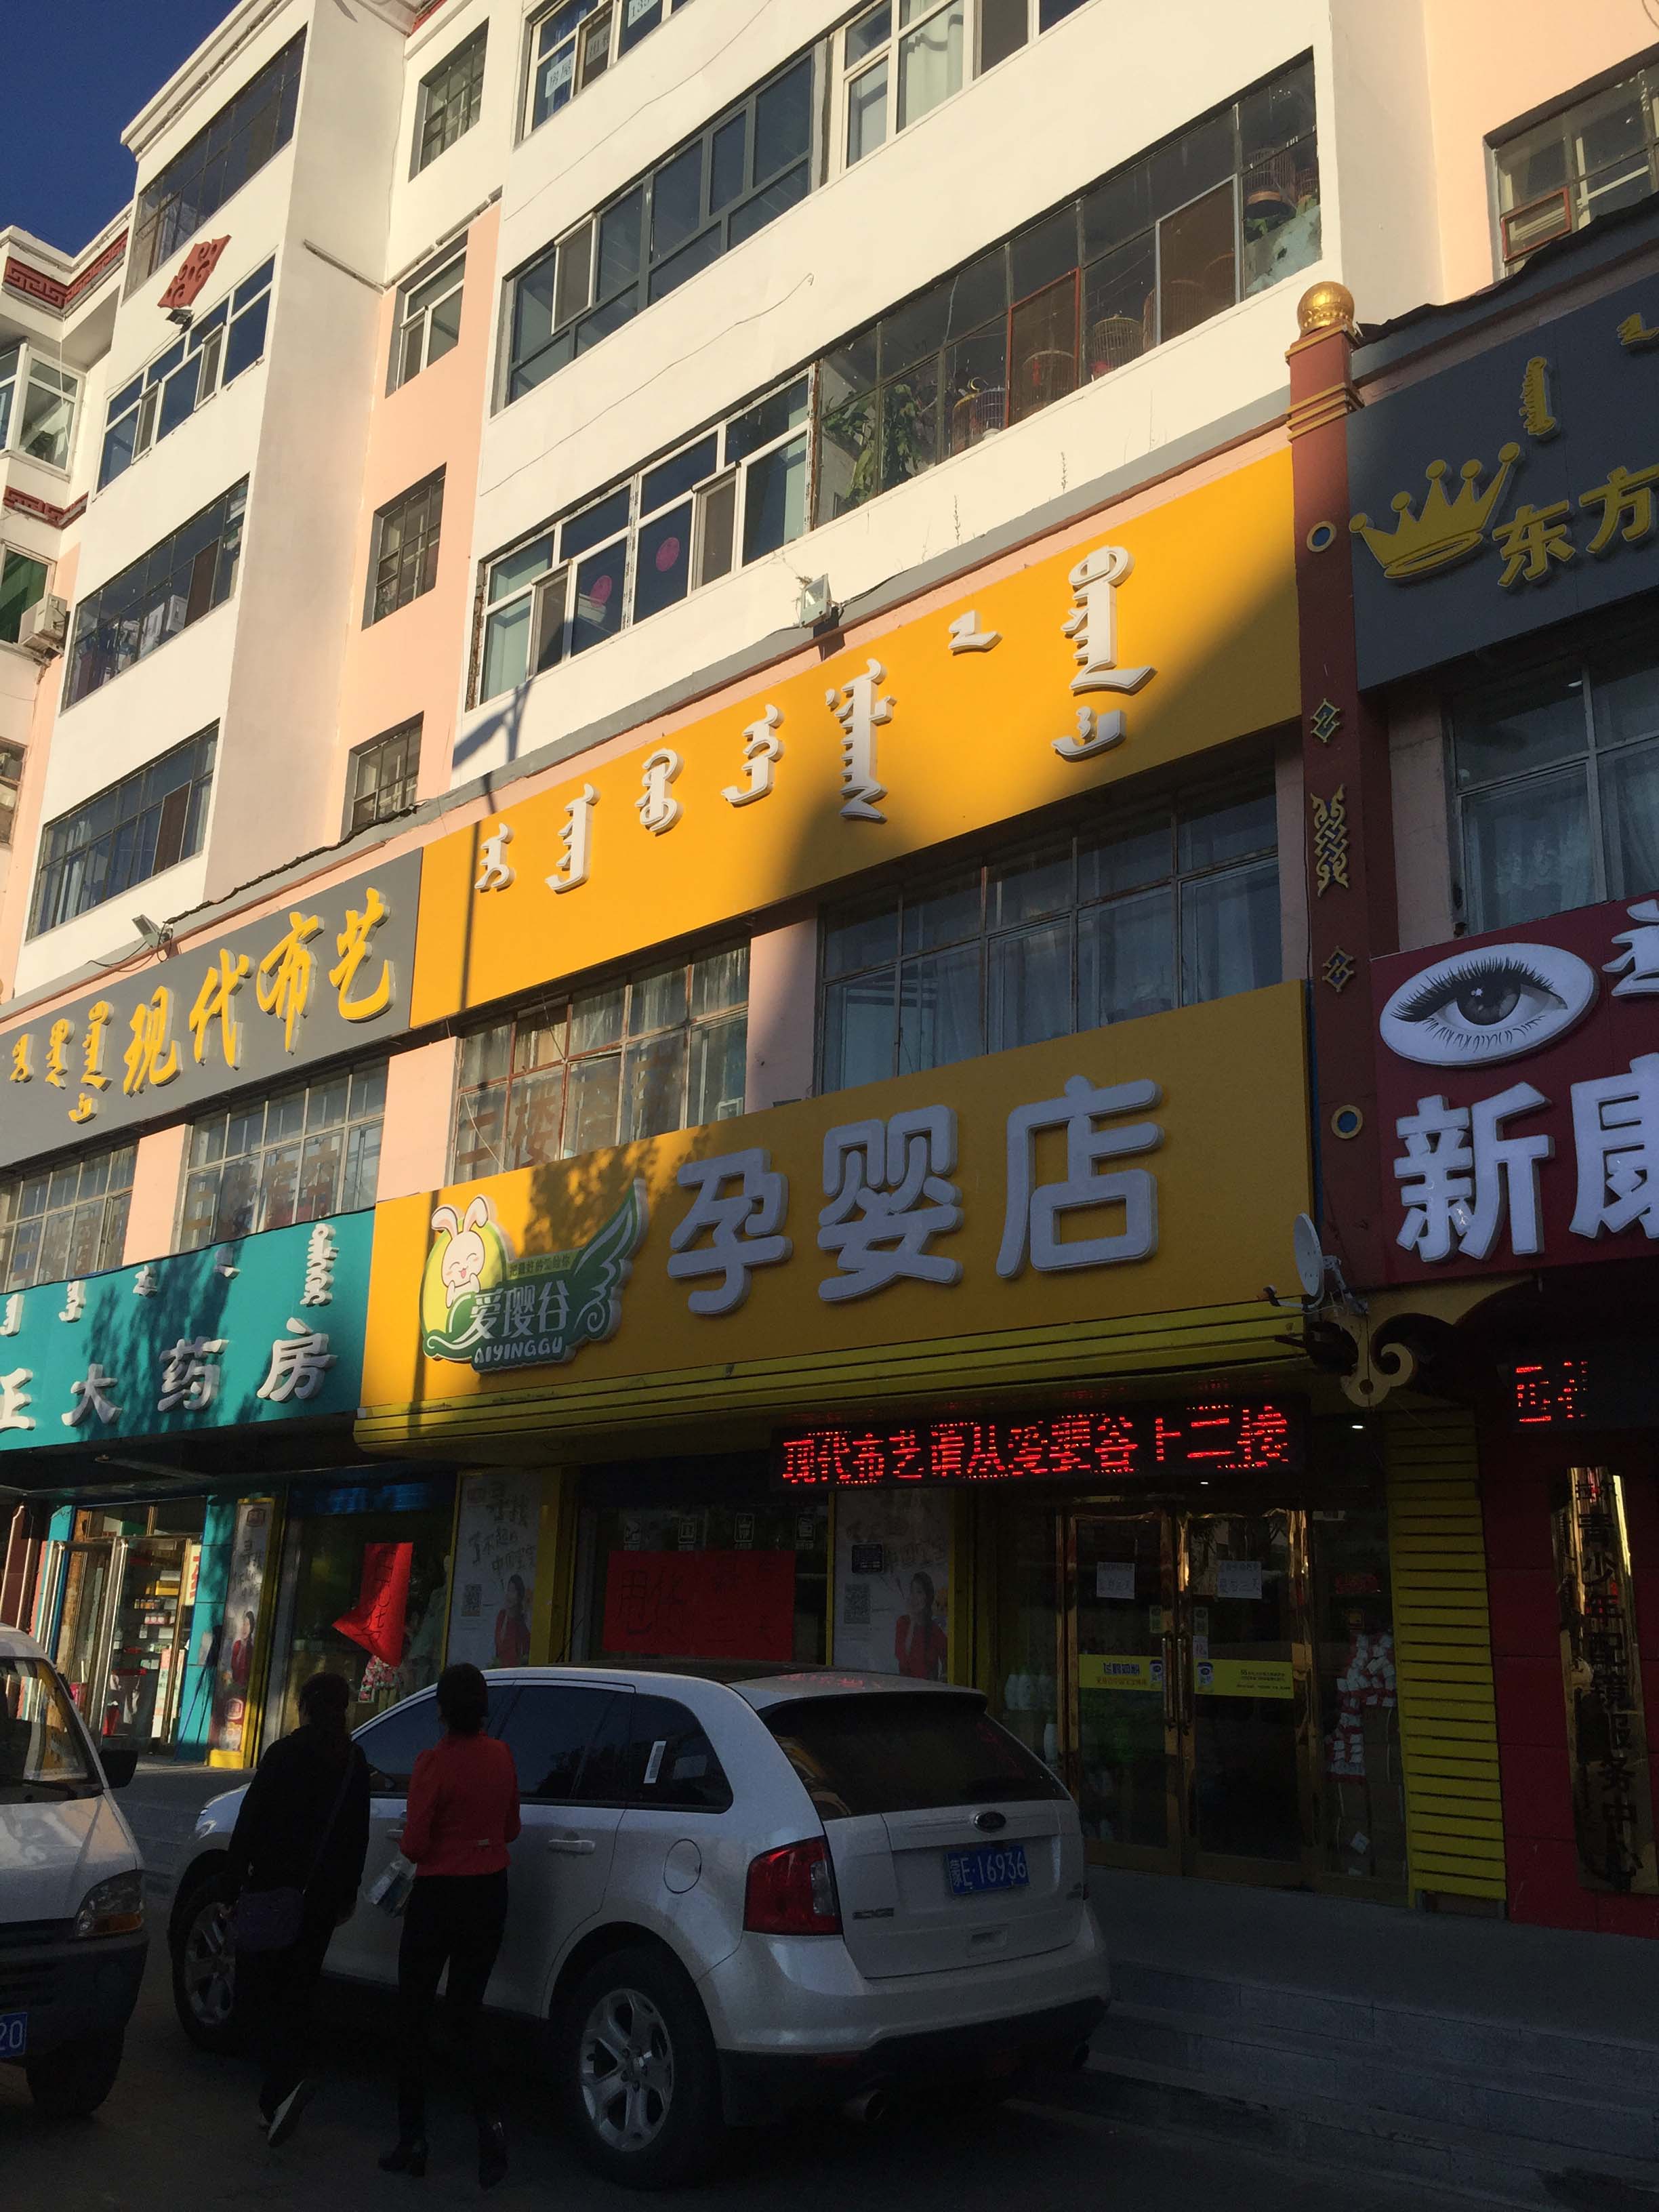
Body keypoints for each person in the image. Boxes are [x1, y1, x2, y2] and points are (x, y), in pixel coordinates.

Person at [382, 1662, 520, 2188]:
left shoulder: (432, 1763)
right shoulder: (503, 1756)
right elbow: (511, 1828)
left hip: (439, 1896)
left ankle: (412, 2139)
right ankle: (491, 2128)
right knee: (467, 2015)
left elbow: (416, 1844)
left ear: (441, 1710)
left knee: (413, 2015)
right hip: (490, 1892)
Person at [226, 1671, 370, 2147]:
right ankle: (281, 2093)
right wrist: (347, 1892)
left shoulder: (284, 1754)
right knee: (299, 1990)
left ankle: (283, 2083)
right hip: (322, 1898)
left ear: (306, 1706)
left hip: (273, 1891)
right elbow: (358, 1834)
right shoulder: (352, 1761)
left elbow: (250, 1821)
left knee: (257, 1993)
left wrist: (233, 1883)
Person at [894, 1572, 948, 1681]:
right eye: (912, 1592)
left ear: (927, 1597)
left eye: (919, 1592)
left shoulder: (935, 1630)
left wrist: (943, 1679)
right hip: (905, 1687)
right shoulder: (903, 1622)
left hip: (928, 1688)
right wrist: (913, 1621)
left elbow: (947, 1659)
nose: (914, 1597)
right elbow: (903, 1657)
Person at [493, 1574, 530, 1668]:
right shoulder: (502, 1616)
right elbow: (499, 1644)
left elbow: (526, 1650)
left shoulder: (522, 1622)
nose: (509, 1595)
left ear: (519, 1595)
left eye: (513, 1591)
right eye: (509, 1590)